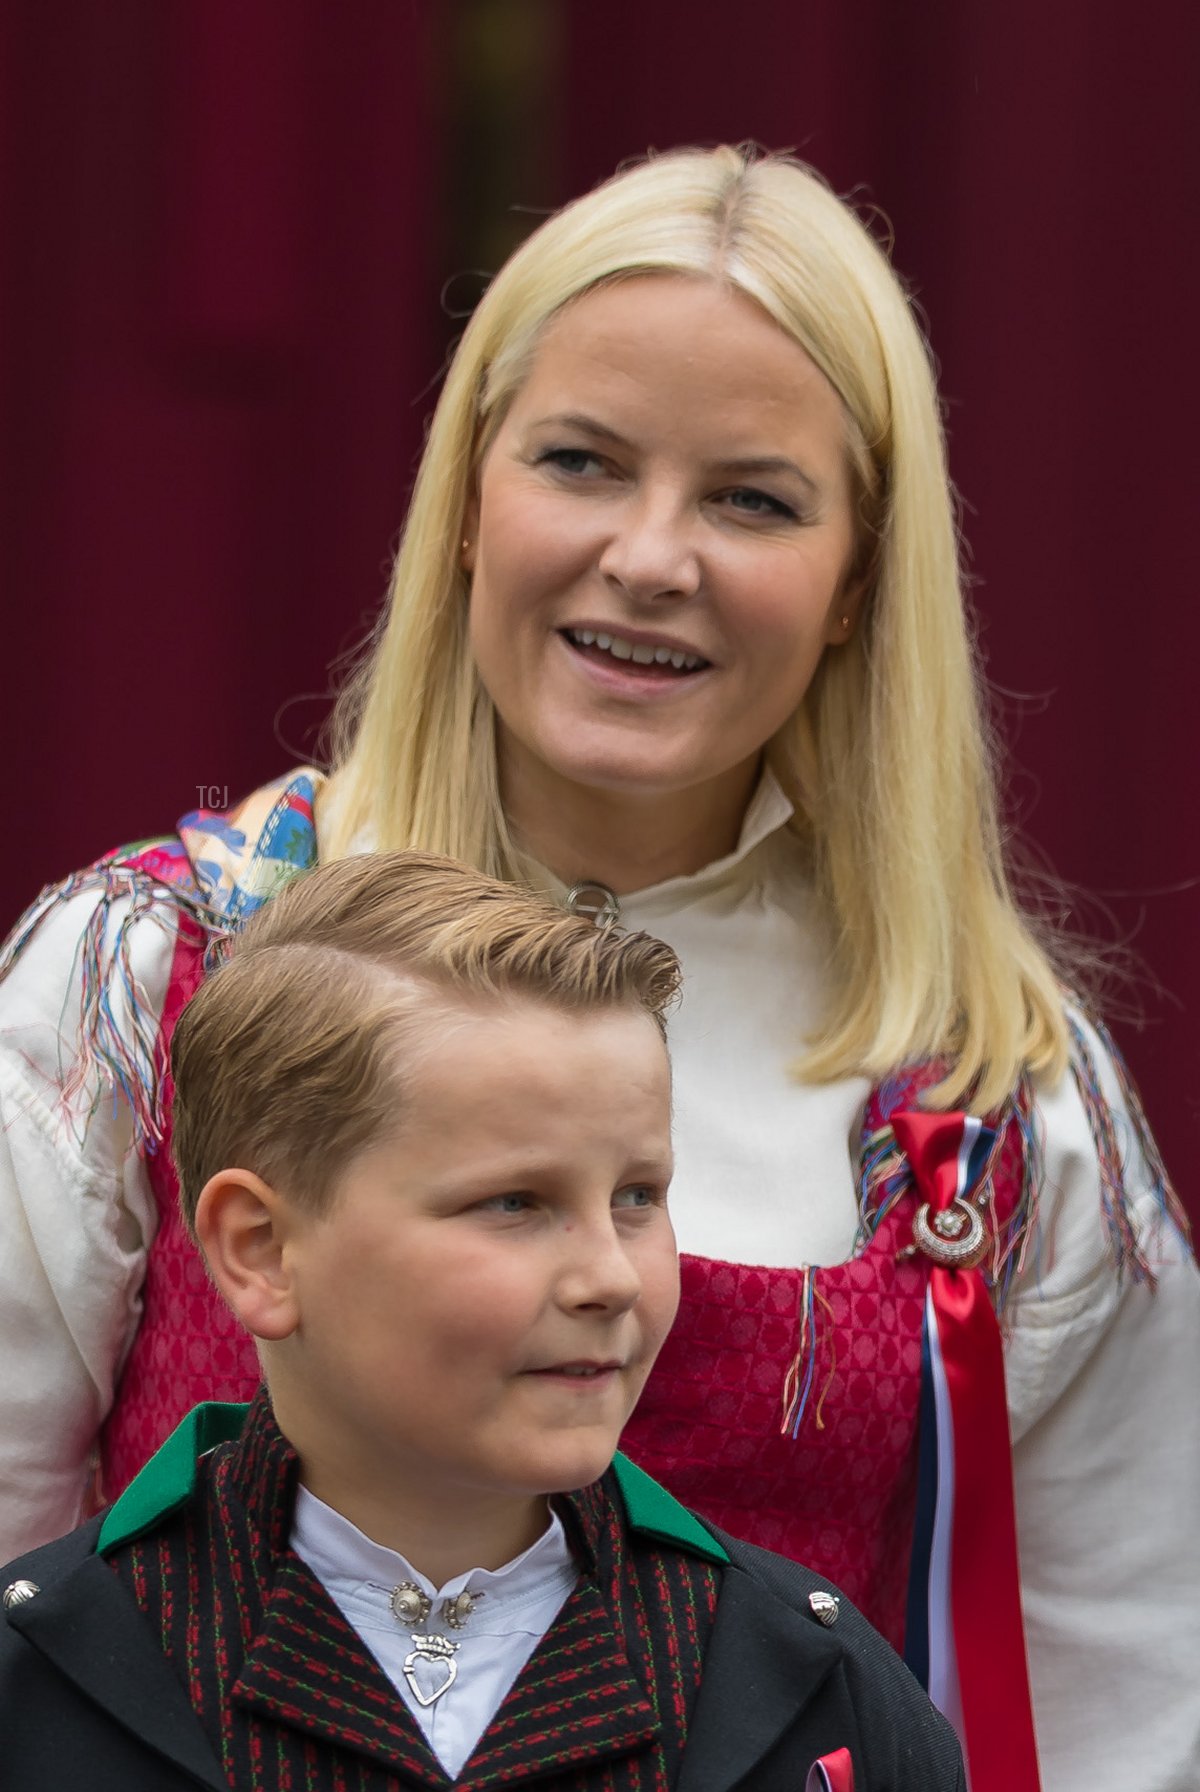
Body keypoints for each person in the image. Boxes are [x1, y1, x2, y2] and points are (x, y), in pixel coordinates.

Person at [0, 145, 1195, 1791]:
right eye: (582, 461)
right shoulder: (153, 974)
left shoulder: (991, 1087)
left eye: (752, 499)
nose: (651, 555)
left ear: (859, 578)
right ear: (468, 500)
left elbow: (1129, 1700)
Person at [0, 851, 963, 1792]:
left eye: (637, 1196)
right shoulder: (48, 1679)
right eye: (514, 1203)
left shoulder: (814, 1691)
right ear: (262, 1249)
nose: (610, 1278)